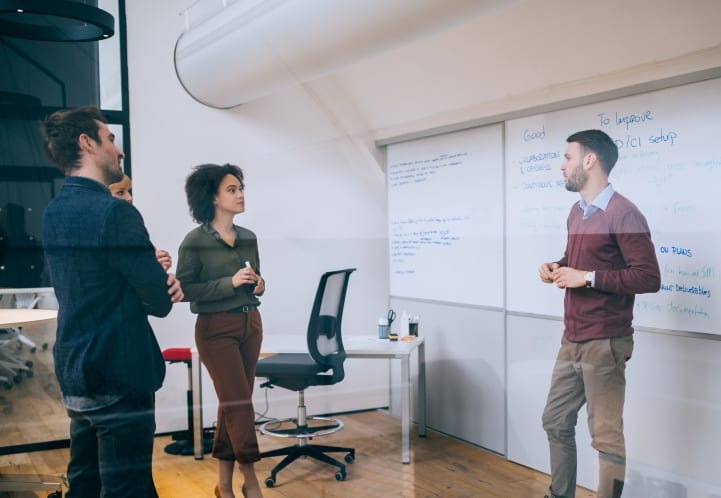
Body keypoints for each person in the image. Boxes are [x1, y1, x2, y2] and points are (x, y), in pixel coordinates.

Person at [40, 105, 184, 498]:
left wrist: (140, 276)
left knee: (85, 483)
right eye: (111, 139)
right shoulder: (114, 212)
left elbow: (92, 281)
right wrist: (157, 282)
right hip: (118, 372)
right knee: (128, 489)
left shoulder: (54, 211)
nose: (118, 151)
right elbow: (158, 300)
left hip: (76, 371)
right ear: (87, 143)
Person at [538, 129, 661, 498]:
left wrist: (586, 278)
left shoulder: (625, 213)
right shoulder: (577, 212)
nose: (562, 166)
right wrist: (556, 266)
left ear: (590, 161)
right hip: (572, 338)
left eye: (568, 158)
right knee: (555, 421)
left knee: (605, 437)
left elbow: (648, 277)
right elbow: (578, 264)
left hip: (605, 342)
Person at [176, 163, 265, 498]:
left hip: (250, 324)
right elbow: (185, 290)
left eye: (241, 188)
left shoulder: (249, 237)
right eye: (232, 189)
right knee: (239, 404)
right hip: (216, 330)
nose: (240, 194)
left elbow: (256, 277)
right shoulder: (194, 241)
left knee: (233, 404)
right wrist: (228, 282)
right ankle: (251, 480)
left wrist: (259, 284)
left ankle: (223, 485)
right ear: (212, 197)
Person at [109, 174, 172, 271]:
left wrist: (158, 268)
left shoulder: (132, 228)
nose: (129, 197)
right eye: (120, 192)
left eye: (128, 191)